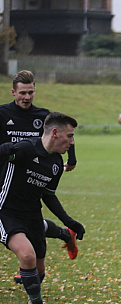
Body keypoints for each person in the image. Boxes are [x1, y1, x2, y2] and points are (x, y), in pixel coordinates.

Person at [0, 112, 85, 304]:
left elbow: (48, 195)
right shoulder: (25, 149)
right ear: (55, 133)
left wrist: (70, 221)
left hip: (33, 215)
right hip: (5, 211)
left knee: (39, 271)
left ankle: (33, 300)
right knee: (27, 256)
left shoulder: (56, 163)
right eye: (70, 136)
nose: (72, 142)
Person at [0, 70, 79, 286]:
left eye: (31, 92)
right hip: (3, 174)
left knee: (25, 216)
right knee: (19, 219)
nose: (27, 97)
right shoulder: (2, 114)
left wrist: (71, 159)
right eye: (23, 93)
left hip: (29, 176)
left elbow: (65, 132)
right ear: (13, 92)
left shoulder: (43, 115)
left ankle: (27, 264)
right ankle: (63, 234)